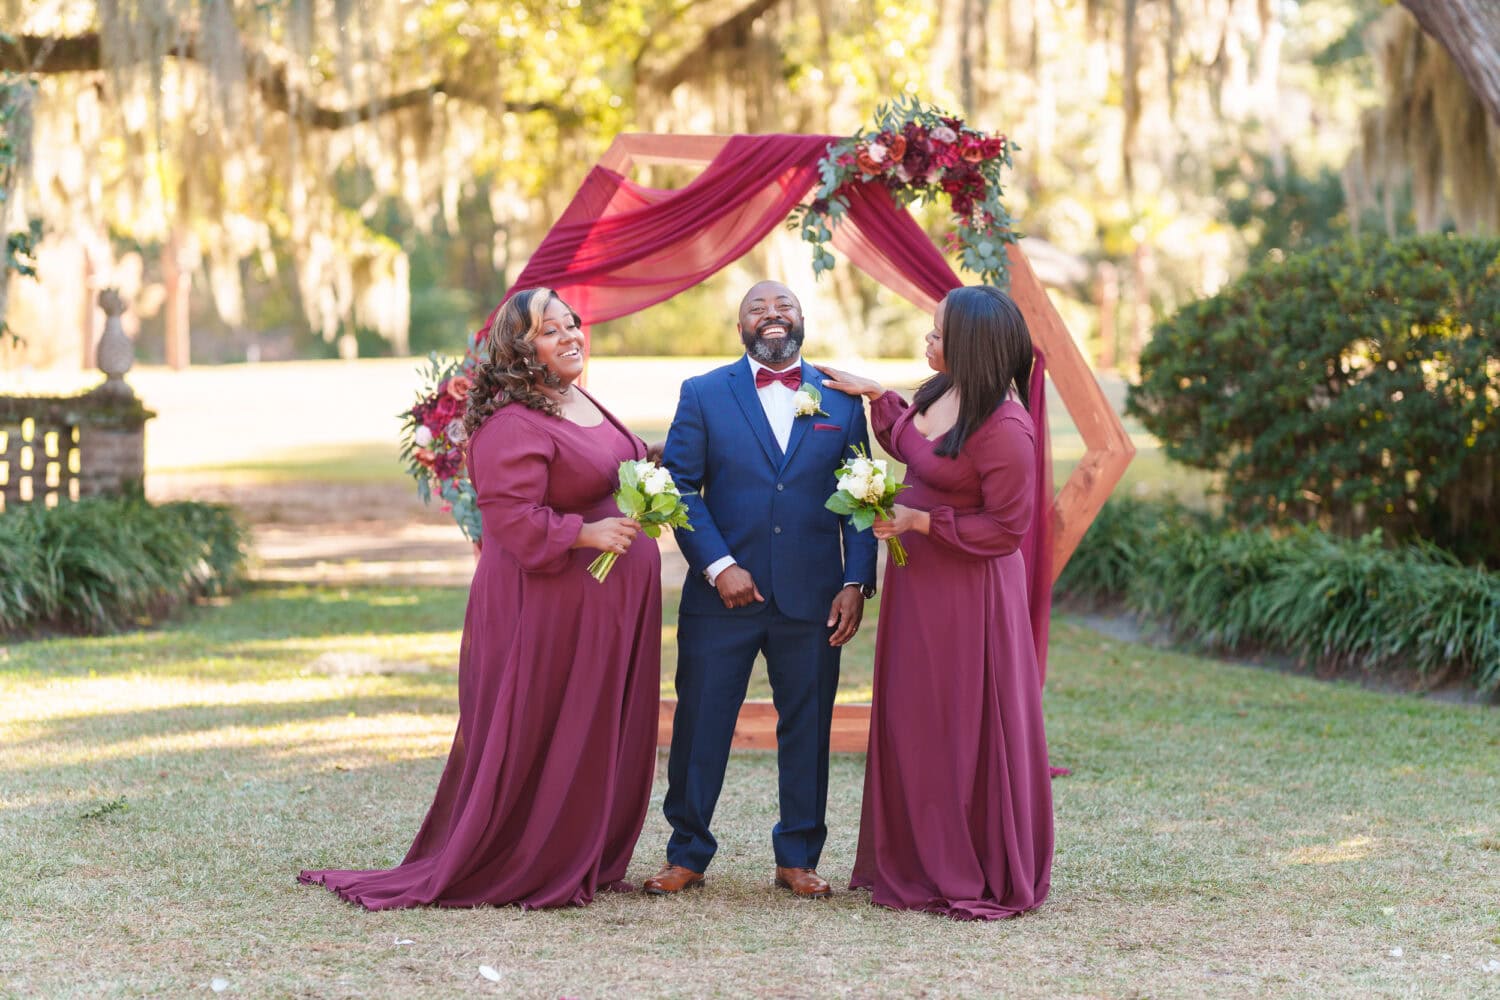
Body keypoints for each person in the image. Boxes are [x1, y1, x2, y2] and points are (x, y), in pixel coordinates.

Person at [298, 288, 661, 909]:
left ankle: (585, 847)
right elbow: (512, 521)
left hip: (603, 607)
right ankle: (531, 856)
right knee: (546, 730)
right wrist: (588, 532)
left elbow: (597, 468)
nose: (571, 335)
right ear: (521, 350)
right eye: (551, 330)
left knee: (597, 728)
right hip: (544, 610)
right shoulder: (510, 424)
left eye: (572, 323)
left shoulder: (577, 398)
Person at [817, 284, 1054, 920]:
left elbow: (1007, 532)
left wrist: (922, 524)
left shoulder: (1006, 428)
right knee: (913, 715)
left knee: (956, 721)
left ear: (971, 348)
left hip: (969, 596)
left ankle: (964, 858)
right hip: (917, 586)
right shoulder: (942, 394)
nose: (927, 340)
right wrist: (874, 394)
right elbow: (911, 444)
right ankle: (915, 853)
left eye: (938, 334)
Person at [646, 280, 878, 900]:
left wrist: (855, 580)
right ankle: (686, 854)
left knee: (809, 726)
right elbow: (681, 489)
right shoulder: (702, 394)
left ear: (803, 320)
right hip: (721, 599)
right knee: (701, 723)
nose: (773, 317)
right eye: (759, 309)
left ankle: (798, 856)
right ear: (740, 327)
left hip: (814, 597)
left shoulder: (842, 398)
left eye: (785, 308)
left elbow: (862, 495)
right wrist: (719, 566)